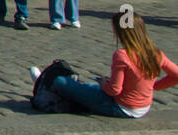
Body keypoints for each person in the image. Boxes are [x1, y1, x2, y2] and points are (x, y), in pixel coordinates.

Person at [38, 11, 178, 117]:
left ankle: (43, 83)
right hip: (143, 107)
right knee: (89, 87)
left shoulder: (122, 55)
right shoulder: (156, 53)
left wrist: (104, 82)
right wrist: (154, 87)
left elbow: (114, 90)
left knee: (60, 81)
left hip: (121, 106)